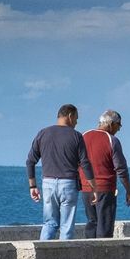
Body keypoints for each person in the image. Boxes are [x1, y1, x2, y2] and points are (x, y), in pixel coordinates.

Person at [26, 103, 95, 241]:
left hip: (48, 183)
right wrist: (94, 188)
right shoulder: (76, 136)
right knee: (66, 226)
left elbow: (30, 161)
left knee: (49, 223)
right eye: (76, 118)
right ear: (70, 116)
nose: (76, 122)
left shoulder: (43, 133)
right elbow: (85, 163)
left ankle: (41, 255)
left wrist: (33, 186)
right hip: (68, 184)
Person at [81, 110, 130, 239]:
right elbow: (121, 168)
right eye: (118, 125)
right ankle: (103, 256)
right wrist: (128, 190)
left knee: (92, 222)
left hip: (86, 188)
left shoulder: (83, 136)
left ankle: (90, 252)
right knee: (105, 225)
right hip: (104, 188)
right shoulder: (112, 140)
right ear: (110, 124)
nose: (119, 129)